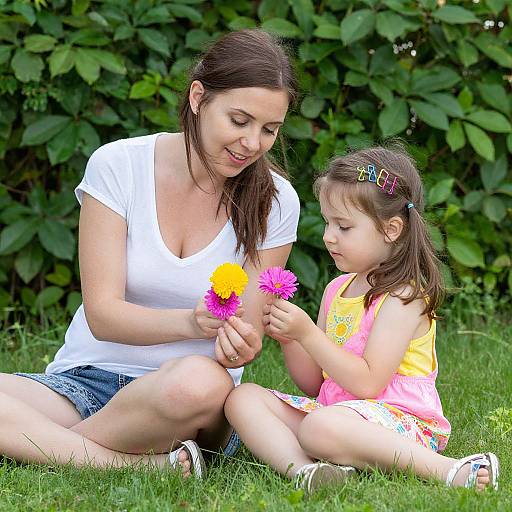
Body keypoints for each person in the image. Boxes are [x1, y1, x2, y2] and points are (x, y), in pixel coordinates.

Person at [0, 29, 300, 477]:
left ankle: (41, 446)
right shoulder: (118, 166)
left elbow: (242, 342)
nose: (252, 144)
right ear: (198, 97)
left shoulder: (276, 200)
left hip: (188, 398)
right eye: (239, 121)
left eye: (269, 130)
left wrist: (244, 344)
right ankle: (137, 465)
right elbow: (102, 315)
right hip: (86, 381)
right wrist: (189, 321)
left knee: (197, 382)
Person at [225, 145, 499, 494]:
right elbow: (316, 384)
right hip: (336, 414)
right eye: (327, 222)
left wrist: (308, 333)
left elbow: (368, 384)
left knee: (319, 427)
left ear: (391, 229)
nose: (328, 235)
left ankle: (451, 470)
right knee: (243, 397)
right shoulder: (337, 289)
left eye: (344, 226)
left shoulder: (404, 296)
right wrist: (290, 338)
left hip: (400, 421)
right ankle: (307, 473)